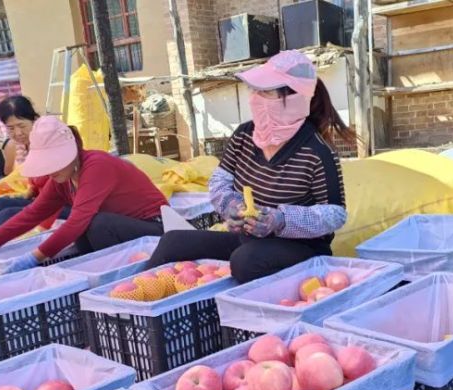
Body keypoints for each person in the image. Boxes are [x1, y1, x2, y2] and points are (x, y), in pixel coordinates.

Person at [145, 50, 352, 283]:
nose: (255, 98)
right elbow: (220, 181)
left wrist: (280, 220)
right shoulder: (244, 135)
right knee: (173, 242)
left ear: (294, 97)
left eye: (266, 92)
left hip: (301, 249)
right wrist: (230, 206)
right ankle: (133, 301)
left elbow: (334, 214)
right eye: (254, 91)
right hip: (251, 239)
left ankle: (231, 315)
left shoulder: (317, 152)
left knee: (245, 261)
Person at [0, 116, 166, 273]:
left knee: (94, 224)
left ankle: (121, 274)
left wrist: (34, 258)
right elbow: (33, 213)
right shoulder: (62, 178)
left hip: (155, 228)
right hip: (121, 230)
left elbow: (76, 221)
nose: (51, 170)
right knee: (86, 231)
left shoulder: (97, 165)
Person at [0, 95, 69, 232]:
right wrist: (23, 196)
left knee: (7, 214)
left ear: (34, 120)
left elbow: (60, 187)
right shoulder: (27, 146)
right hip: (40, 201)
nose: (18, 133)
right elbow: (34, 184)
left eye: (21, 126)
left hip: (63, 204)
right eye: (10, 128)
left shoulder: (49, 141)